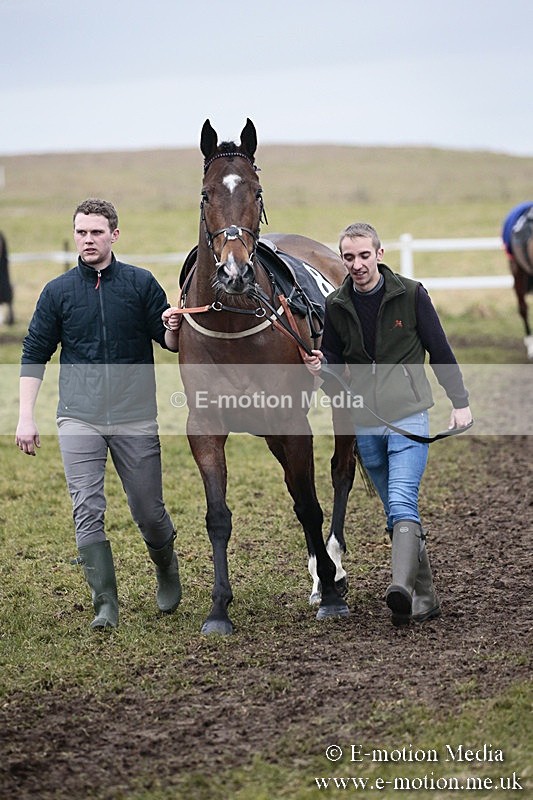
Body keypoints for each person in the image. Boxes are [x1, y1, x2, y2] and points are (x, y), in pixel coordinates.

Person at [15, 198, 181, 631]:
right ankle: (104, 603)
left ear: (114, 235)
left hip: (135, 415)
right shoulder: (58, 292)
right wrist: (25, 416)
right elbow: (34, 353)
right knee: (86, 508)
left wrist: (173, 327)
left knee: (149, 511)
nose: (88, 240)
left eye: (96, 232)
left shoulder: (141, 284)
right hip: (78, 417)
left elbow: (169, 343)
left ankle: (166, 566)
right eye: (81, 232)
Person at [303, 222, 472, 625]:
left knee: (399, 502)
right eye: (349, 257)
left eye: (364, 255)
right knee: (396, 513)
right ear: (342, 259)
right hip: (365, 422)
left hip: (409, 414)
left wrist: (460, 402)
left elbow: (440, 350)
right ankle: (426, 597)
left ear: (379, 254)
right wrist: (319, 365)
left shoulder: (411, 295)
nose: (357, 264)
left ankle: (401, 589)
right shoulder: (337, 304)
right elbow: (333, 359)